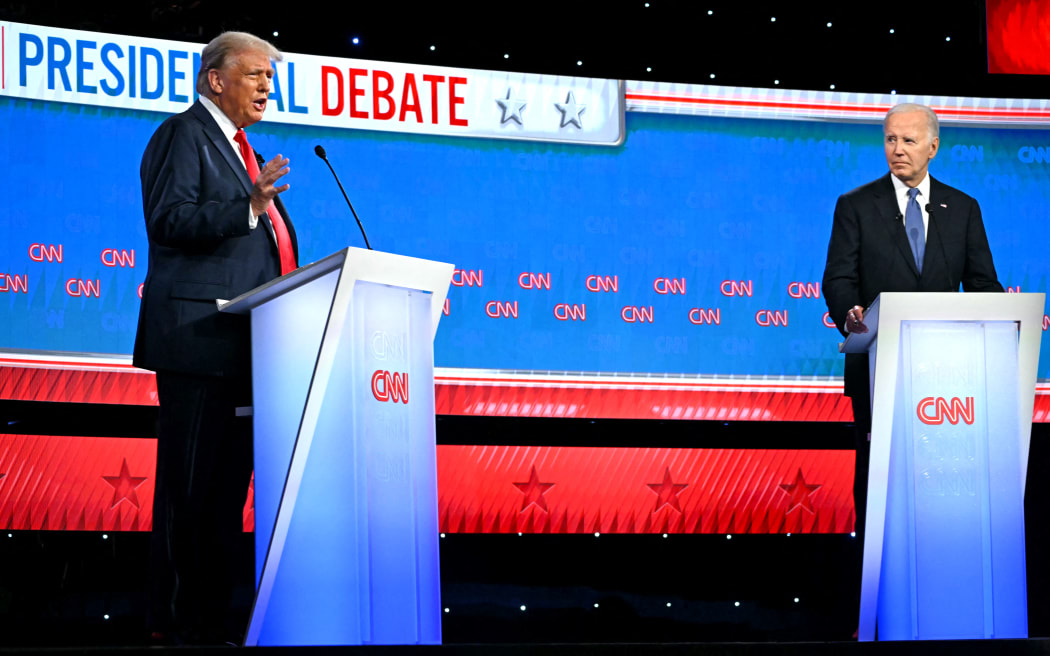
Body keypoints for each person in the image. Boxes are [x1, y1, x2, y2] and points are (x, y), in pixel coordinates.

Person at [133, 31, 298, 645]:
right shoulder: (184, 135)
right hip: (198, 343)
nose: (265, 88)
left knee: (225, 499)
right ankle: (172, 628)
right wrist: (248, 206)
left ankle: (207, 624)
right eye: (254, 75)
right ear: (215, 80)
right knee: (189, 492)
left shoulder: (241, 149)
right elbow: (168, 219)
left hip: (244, 348)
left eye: (269, 78)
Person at [822, 102, 1002, 545]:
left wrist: (1008, 322)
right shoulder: (856, 206)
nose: (897, 149)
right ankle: (876, 567)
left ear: (933, 147)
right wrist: (850, 315)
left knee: (942, 478)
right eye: (890, 139)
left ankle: (943, 551)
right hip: (878, 370)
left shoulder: (962, 209)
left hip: (949, 379)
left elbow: (983, 284)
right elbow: (838, 279)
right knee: (880, 477)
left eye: (908, 140)